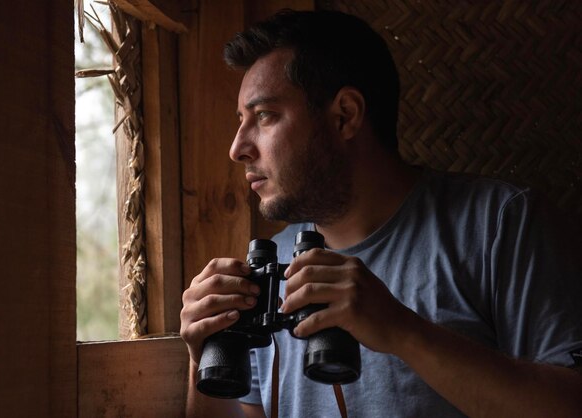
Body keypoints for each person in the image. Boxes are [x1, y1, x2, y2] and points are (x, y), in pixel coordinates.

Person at [180, 9, 582, 418]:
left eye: (264, 116)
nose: (237, 148)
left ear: (345, 115)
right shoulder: (271, 268)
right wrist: (201, 357)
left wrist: (400, 330)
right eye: (240, 121)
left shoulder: (497, 225)